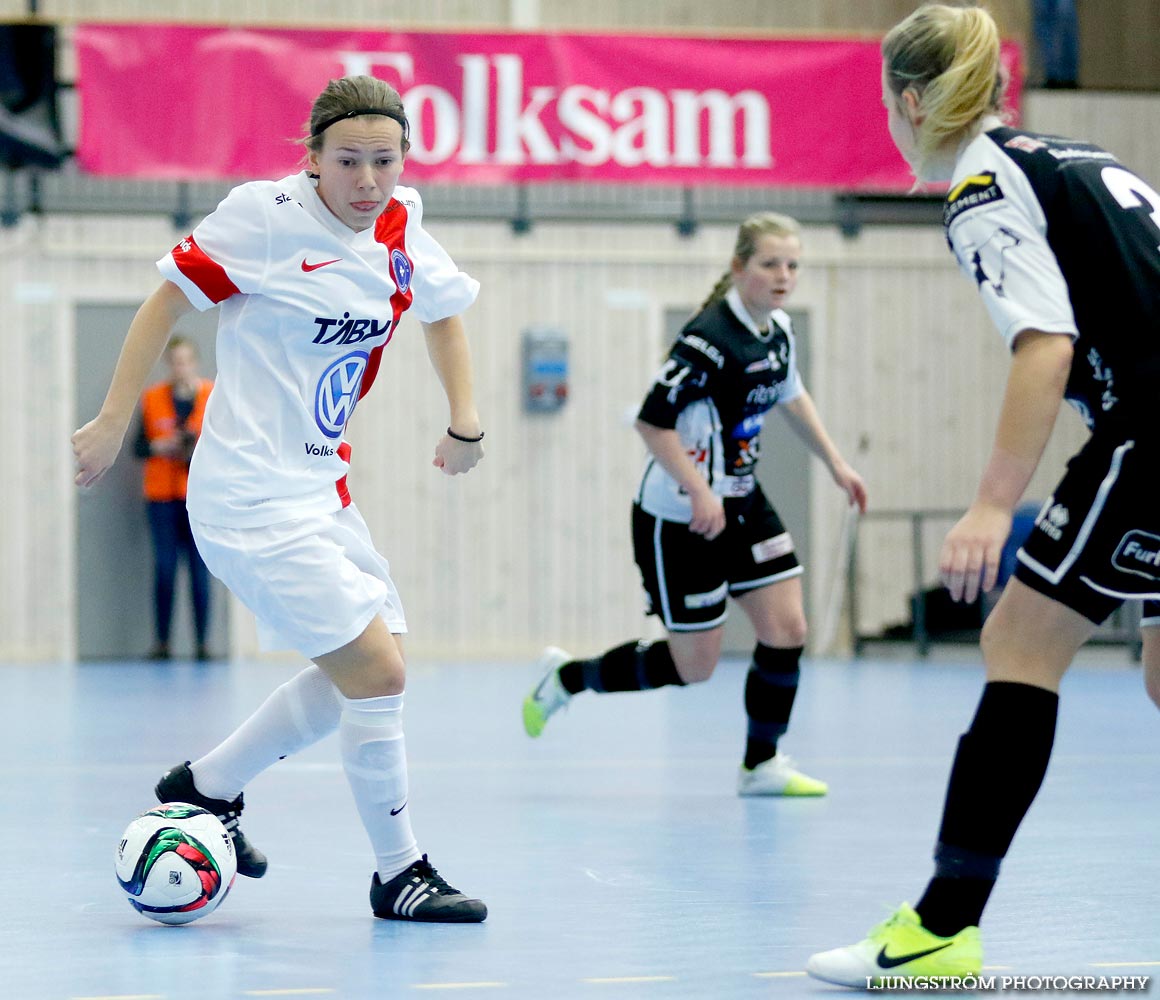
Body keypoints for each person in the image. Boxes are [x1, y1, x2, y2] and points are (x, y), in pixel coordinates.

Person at [72, 75, 489, 923]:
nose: (367, 181)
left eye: (384, 160)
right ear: (313, 159)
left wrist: (466, 420)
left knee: (371, 663)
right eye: (348, 162)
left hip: (323, 492)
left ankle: (207, 785)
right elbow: (166, 302)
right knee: (377, 672)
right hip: (246, 498)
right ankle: (398, 872)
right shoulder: (263, 217)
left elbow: (442, 312)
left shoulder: (403, 223)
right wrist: (115, 418)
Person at [808, 3, 1160, 985]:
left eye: (888, 106)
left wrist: (987, 504)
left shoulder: (980, 188)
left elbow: (1042, 345)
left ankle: (939, 926)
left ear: (911, 101)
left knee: (1016, 642)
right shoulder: (1072, 154)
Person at [522, 212, 868, 797]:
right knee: (694, 667)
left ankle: (761, 765)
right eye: (769, 264)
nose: (783, 276)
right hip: (680, 517)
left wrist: (835, 462)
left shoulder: (775, 330)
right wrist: (698, 490)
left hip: (742, 501)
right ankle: (567, 679)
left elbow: (791, 394)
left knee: (787, 628)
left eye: (792, 265)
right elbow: (652, 422)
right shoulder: (708, 339)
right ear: (739, 268)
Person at [133, 335, 214, 661]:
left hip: (199, 497)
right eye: (175, 361)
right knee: (165, 568)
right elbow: (138, 447)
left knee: (199, 570)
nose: (181, 367)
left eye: (186, 361)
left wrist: (196, 446)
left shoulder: (212, 396)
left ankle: (202, 645)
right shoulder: (152, 399)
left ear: (194, 362)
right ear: (169, 364)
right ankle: (162, 643)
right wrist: (160, 446)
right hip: (162, 498)